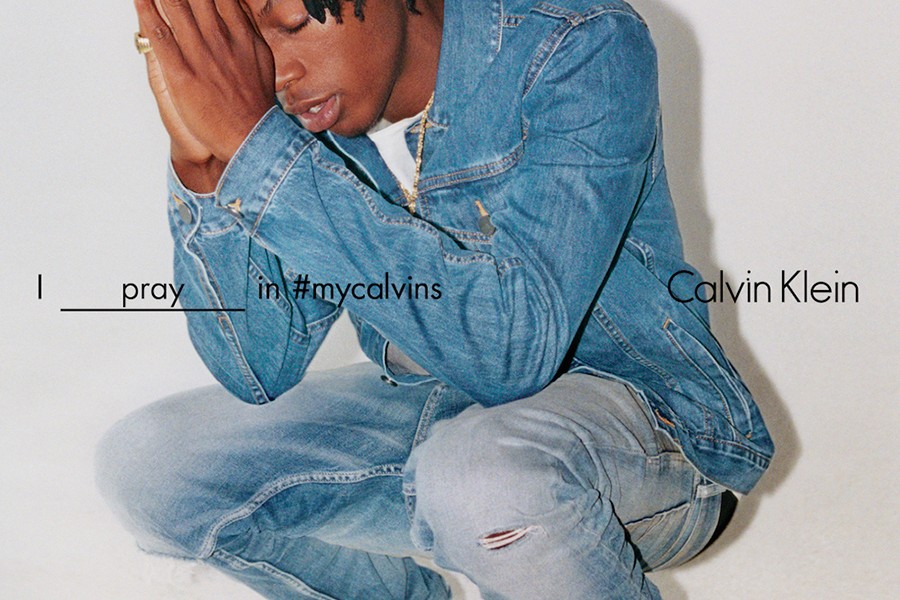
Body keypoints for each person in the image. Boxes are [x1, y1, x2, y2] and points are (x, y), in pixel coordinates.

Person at [96, 0, 774, 598]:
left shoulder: (579, 41)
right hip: (442, 416)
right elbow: (254, 366)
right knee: (150, 466)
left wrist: (262, 152)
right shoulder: (303, 118)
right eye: (247, 46)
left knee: (481, 477)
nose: (276, 75)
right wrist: (206, 164)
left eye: (293, 24)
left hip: (643, 440)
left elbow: (510, 353)